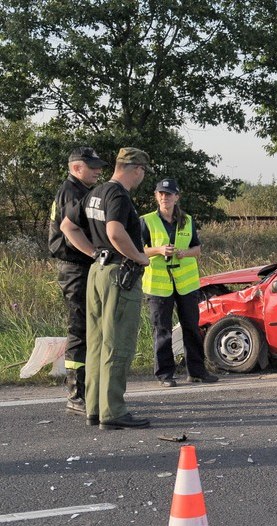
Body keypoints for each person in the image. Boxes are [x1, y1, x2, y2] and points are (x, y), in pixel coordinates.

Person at [60, 147, 152, 430]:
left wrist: (93, 253)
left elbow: (67, 226)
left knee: (97, 344)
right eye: (143, 172)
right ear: (136, 169)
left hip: (97, 272)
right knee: (118, 343)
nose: (142, 177)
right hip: (118, 276)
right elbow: (114, 231)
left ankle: (95, 408)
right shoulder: (118, 195)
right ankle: (113, 411)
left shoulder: (94, 192)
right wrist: (139, 257)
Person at [140, 178, 217, 387]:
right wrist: (159, 250)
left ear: (177, 197)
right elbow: (137, 250)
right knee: (162, 330)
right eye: (161, 194)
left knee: (191, 327)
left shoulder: (187, 220)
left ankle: (197, 371)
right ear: (156, 196)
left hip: (185, 284)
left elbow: (197, 249)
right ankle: (165, 375)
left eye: (169, 194)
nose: (165, 197)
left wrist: (184, 253)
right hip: (158, 284)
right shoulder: (146, 221)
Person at [48, 147, 107, 415]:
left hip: (82, 267)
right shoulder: (71, 192)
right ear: (75, 168)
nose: (98, 170)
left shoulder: (81, 190)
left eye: (98, 166)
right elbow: (69, 231)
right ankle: (75, 393)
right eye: (92, 165)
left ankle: (87, 389)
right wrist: (95, 253)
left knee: (88, 327)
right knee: (79, 328)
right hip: (75, 268)